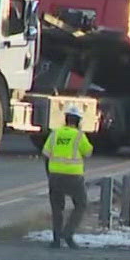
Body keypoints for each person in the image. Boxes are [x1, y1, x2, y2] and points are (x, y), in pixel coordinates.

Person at [41, 106, 93, 248]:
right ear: (78, 121)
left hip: (55, 176)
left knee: (57, 208)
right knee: (81, 204)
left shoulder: (55, 134)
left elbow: (45, 154)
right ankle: (68, 233)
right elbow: (88, 152)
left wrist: (50, 174)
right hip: (73, 176)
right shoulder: (78, 136)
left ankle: (56, 239)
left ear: (66, 119)